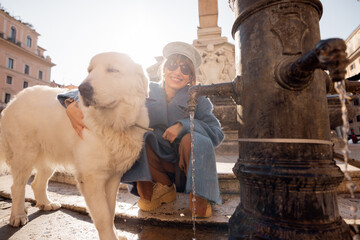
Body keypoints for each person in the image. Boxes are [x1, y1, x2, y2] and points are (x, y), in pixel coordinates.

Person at [58, 41, 224, 218]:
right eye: (173, 65)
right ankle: (161, 189)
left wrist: (183, 125)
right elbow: (107, 89)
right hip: (154, 165)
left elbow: (216, 131)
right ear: (164, 68)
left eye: (185, 69)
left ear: (191, 76)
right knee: (139, 136)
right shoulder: (146, 89)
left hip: (188, 169)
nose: (177, 72)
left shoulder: (198, 98)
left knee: (192, 139)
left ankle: (199, 197)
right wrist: (71, 101)